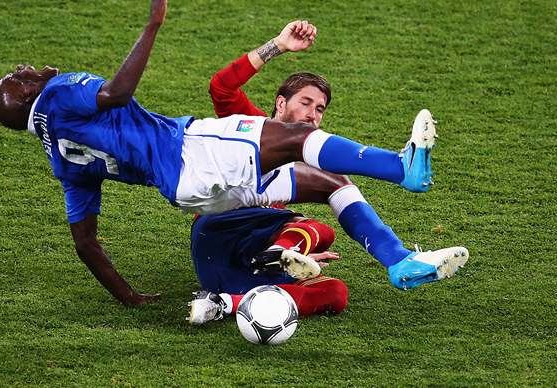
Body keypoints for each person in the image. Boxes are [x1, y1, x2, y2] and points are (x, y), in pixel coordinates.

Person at [0, 0, 468, 307]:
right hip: (192, 158)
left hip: (191, 189)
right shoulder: (59, 94)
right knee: (305, 143)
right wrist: (154, 23)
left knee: (331, 182)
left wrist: (129, 297)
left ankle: (399, 260)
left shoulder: (62, 159)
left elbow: (86, 243)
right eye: (19, 75)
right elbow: (119, 93)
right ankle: (401, 168)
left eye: (319, 107)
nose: (23, 68)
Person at [186, 21, 467, 324]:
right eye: (305, 103)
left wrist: (298, 254)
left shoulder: (308, 156)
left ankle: (222, 304)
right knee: (328, 210)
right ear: (281, 103)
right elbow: (221, 87)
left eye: (320, 109)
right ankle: (395, 248)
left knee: (334, 293)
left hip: (231, 267)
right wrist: (279, 45)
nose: (313, 114)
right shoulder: (252, 127)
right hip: (218, 230)